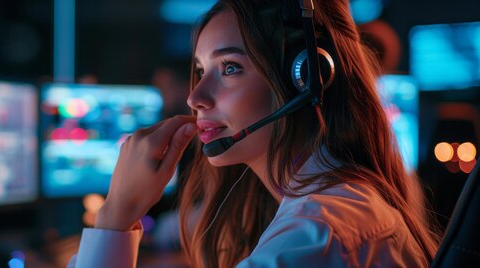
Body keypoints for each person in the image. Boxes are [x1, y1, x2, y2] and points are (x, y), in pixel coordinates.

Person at [68, 0, 441, 267]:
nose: (195, 97)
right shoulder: (316, 208)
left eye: (229, 68)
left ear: (303, 80)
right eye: (200, 69)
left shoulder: (315, 238)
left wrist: (116, 214)